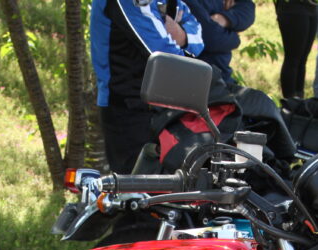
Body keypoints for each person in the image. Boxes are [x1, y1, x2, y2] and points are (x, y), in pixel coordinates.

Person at [90, 0, 205, 173]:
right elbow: (166, 54)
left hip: (164, 106)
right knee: (134, 185)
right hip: (127, 107)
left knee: (171, 183)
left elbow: (198, 35)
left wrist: (182, 35)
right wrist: (180, 40)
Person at [182, 0, 256, 85]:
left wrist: (222, 20)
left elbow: (248, 10)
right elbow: (209, 37)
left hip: (222, 78)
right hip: (196, 76)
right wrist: (235, 39)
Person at [274, 0, 318, 100]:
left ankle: (299, 100)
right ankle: (289, 101)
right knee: (293, 59)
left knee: (302, 59)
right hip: (292, 7)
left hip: (311, 7)